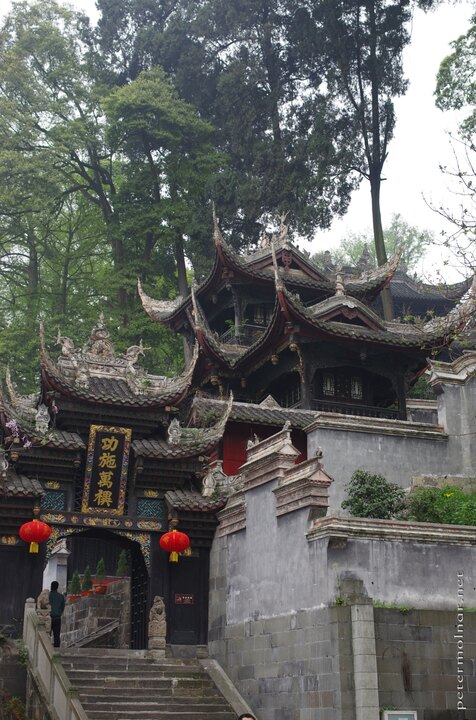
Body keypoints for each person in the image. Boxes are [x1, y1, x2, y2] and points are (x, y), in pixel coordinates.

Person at [49, 580, 65, 648]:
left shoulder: (48, 595)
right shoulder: (61, 596)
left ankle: (47, 648)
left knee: (47, 634)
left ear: (51, 586)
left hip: (48, 618)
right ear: (57, 587)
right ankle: (57, 650)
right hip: (57, 618)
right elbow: (62, 607)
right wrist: (59, 613)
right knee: (56, 636)